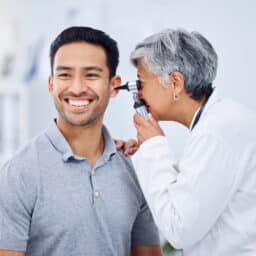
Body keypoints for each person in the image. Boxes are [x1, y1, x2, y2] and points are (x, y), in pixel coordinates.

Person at [0, 26, 162, 256]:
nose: (76, 88)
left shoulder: (133, 169)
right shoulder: (17, 175)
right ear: (51, 84)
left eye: (91, 75)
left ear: (114, 86)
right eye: (65, 75)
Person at [129, 28, 256, 256]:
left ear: (175, 83)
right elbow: (198, 194)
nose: (138, 96)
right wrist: (145, 153)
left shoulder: (216, 132)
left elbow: (179, 229)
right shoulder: (222, 121)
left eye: (141, 83)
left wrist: (154, 148)